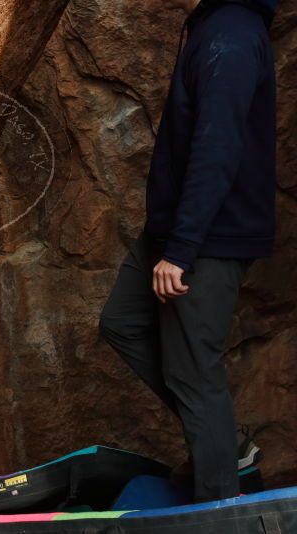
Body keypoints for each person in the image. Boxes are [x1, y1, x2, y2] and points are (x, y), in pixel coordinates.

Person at [99, 0, 277, 502]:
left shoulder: (232, 36)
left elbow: (218, 145)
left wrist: (182, 250)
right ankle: (225, 443)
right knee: (122, 321)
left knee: (194, 373)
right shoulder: (216, 25)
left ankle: (221, 508)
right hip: (176, 228)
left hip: (207, 237)